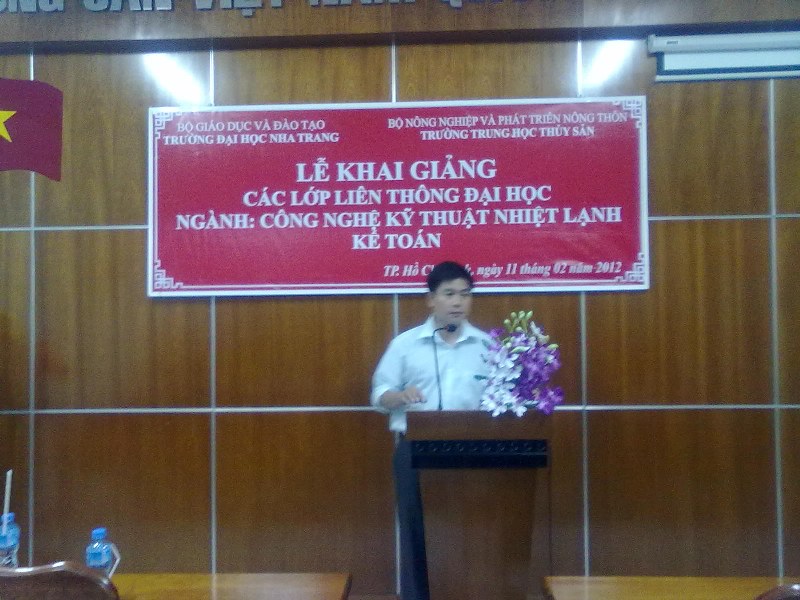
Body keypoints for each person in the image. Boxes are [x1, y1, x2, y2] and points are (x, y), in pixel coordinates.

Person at [371, 260, 491, 433]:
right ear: (431, 299)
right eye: (449, 294)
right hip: (417, 442)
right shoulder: (405, 345)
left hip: (474, 442)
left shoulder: (487, 346)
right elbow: (379, 395)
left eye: (465, 295)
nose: (457, 302)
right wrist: (400, 396)